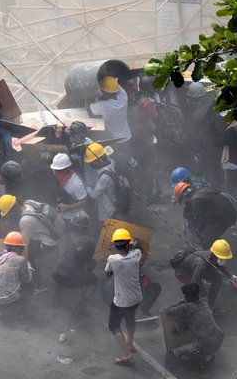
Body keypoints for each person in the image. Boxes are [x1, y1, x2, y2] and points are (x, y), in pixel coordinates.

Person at [163, 283, 224, 369]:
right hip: (219, 337)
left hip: (206, 344)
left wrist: (180, 302)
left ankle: (206, 356)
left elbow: (168, 311)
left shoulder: (185, 307)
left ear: (185, 296)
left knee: (176, 353)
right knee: (192, 322)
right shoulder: (204, 305)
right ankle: (207, 353)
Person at [105, 228, 142, 366]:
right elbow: (138, 248)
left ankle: (127, 354)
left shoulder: (112, 259)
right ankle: (130, 344)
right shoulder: (137, 254)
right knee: (130, 318)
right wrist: (133, 244)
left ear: (115, 245)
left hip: (122, 300)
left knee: (113, 324)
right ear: (129, 243)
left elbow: (108, 274)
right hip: (136, 296)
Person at [172, 239, 237, 310]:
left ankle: (210, 305)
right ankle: (184, 306)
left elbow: (220, 266)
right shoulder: (201, 264)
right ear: (214, 255)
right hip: (183, 273)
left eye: (225, 258)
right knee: (198, 293)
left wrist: (231, 276)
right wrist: (203, 296)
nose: (224, 260)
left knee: (218, 277)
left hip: (196, 270)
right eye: (222, 258)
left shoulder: (213, 258)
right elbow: (195, 282)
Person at [52, 211, 96, 316]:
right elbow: (91, 263)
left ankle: (56, 297)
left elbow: (60, 257)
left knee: (62, 267)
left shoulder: (64, 237)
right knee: (93, 281)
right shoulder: (89, 241)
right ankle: (80, 307)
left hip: (57, 276)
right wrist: (87, 274)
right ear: (85, 227)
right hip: (74, 279)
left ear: (72, 225)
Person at [173, 182, 237, 248]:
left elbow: (201, 220)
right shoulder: (201, 188)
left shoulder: (196, 200)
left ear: (184, 195)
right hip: (228, 211)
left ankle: (219, 252)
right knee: (211, 233)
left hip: (225, 217)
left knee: (207, 242)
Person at [19, 200, 64, 288]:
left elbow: (23, 245)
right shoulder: (29, 202)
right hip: (58, 229)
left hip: (50, 243)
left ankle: (39, 283)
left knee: (29, 256)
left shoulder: (25, 220)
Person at [0, 231, 33, 319]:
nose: (22, 250)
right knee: (30, 287)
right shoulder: (20, 260)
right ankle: (21, 314)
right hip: (10, 298)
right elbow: (27, 279)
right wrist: (29, 267)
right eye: (21, 247)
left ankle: (2, 311)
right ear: (18, 248)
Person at [89, 76, 132, 152]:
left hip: (116, 141)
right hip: (127, 136)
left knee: (119, 160)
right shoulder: (123, 97)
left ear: (104, 92)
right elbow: (115, 87)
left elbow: (87, 107)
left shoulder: (104, 105)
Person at [50, 153, 89, 223]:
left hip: (73, 216)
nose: (57, 172)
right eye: (56, 169)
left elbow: (85, 201)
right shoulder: (55, 172)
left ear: (67, 168)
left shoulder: (77, 184)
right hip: (60, 212)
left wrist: (68, 207)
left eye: (60, 170)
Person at [83, 142, 118, 222]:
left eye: (92, 162)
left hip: (108, 209)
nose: (91, 164)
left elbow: (93, 195)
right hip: (114, 200)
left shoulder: (104, 178)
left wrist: (86, 186)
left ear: (99, 160)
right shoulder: (111, 162)